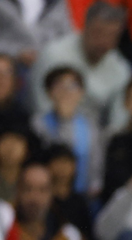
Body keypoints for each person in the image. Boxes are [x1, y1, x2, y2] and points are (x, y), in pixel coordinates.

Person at [31, 2, 132, 127]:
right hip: (49, 129)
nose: (103, 42)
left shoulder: (120, 69)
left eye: (112, 36)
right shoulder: (54, 55)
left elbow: (119, 117)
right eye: (98, 33)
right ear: (85, 27)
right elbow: (39, 104)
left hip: (96, 137)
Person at [33, 67, 102, 196]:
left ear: (81, 92)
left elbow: (96, 163)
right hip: (47, 192)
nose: (66, 91)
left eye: (72, 86)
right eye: (59, 86)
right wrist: (63, 120)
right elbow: (55, 154)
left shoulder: (90, 124)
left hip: (82, 195)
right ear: (49, 92)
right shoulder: (38, 123)